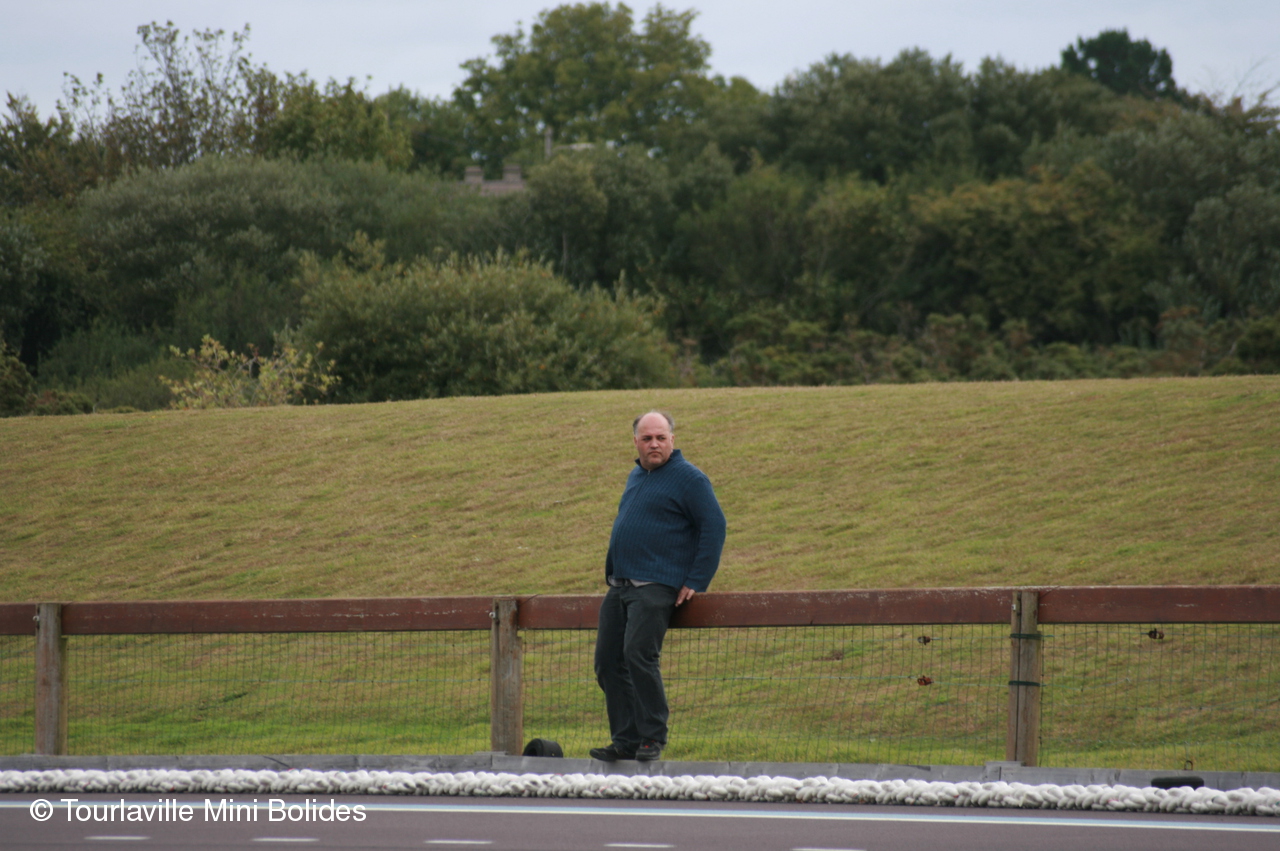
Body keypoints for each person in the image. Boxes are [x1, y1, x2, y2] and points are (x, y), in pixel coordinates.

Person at [591, 410, 727, 762]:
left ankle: (652, 737)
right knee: (607, 662)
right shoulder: (636, 475)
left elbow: (714, 526)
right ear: (635, 442)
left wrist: (697, 580)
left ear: (672, 440)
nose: (654, 444)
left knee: (638, 654)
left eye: (661, 438)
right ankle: (625, 741)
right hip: (621, 584)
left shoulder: (690, 479)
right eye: (647, 438)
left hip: (656, 585)